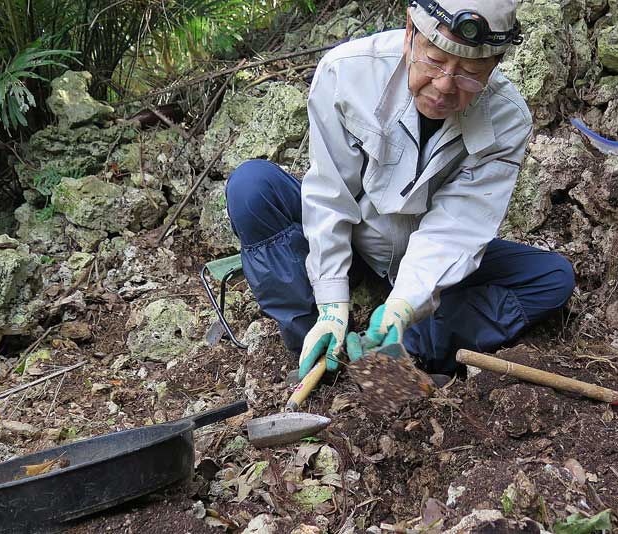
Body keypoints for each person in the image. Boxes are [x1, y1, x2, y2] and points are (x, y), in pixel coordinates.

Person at [225, 0, 575, 381]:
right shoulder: (347, 73)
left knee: (551, 278)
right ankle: (318, 342)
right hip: (358, 239)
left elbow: (457, 228)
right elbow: (330, 193)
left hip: (422, 254)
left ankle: (403, 349)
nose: (444, 86)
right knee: (252, 187)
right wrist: (330, 302)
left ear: (493, 68)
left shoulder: (507, 120)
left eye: (470, 73)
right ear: (411, 33)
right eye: (435, 61)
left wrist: (404, 305)